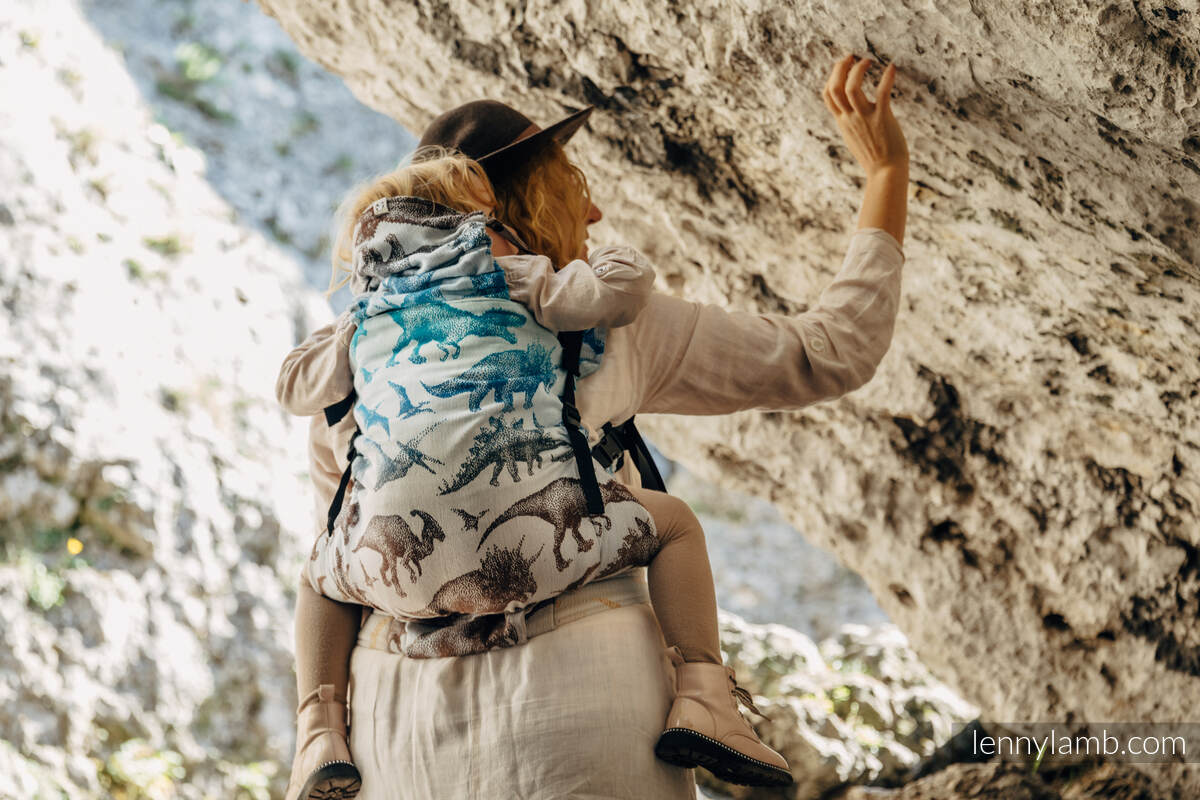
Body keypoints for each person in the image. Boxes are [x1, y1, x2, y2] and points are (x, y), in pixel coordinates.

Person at [279, 51, 908, 800]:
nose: (596, 210)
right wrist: (886, 179)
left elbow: (345, 543)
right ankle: (708, 698)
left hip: (390, 725)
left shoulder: (363, 353)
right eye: (572, 184)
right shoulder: (598, 320)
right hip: (580, 685)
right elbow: (827, 353)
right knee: (672, 524)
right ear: (527, 201)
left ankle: (310, 735)